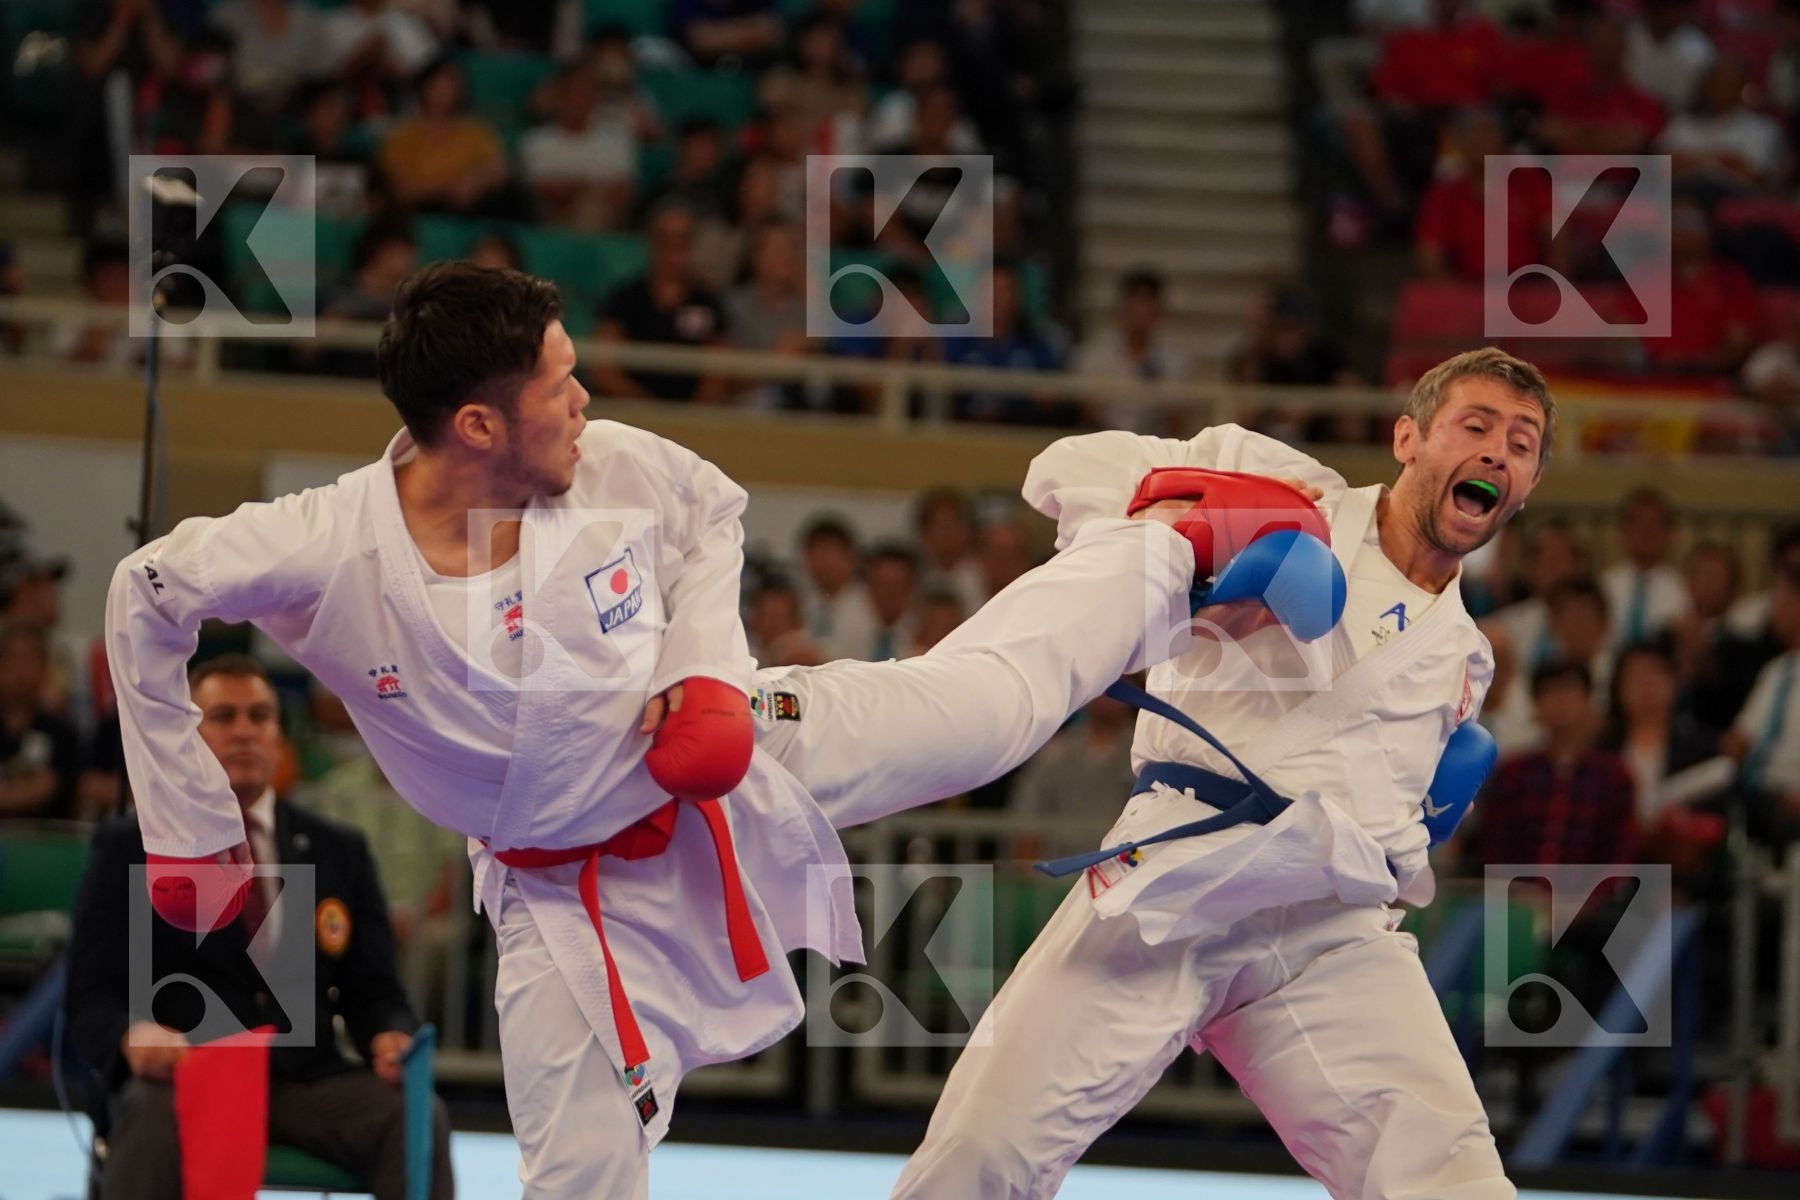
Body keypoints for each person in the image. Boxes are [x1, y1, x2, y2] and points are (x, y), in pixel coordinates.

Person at [103, 261, 1235, 1197]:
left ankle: (1161, 538)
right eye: (560, 382)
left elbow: (715, 510)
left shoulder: (613, 464)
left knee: (988, 716)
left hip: (722, 753)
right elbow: (144, 590)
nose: (586, 397)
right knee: (581, 1177)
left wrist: (703, 671)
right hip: (559, 891)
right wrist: (191, 826)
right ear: (479, 421)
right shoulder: (322, 547)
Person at [890, 346, 1554, 1199]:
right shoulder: (1288, 492)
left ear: (1530, 485)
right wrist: (1188, 557)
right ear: (1408, 439)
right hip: (1174, 875)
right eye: (1477, 425)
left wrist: (1413, 835)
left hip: (1328, 923)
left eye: (1523, 443)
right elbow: (1067, 470)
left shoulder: (1468, 658)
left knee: (1451, 1174)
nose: (1499, 451)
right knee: (988, 1147)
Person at [64, 655, 453, 1199]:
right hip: (187, 1074)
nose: (245, 730)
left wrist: (389, 1033)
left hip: (306, 1081)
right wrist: (132, 1037)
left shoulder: (336, 849)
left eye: (261, 716)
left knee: (413, 1114)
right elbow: (91, 993)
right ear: (186, 735)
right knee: (148, 1108)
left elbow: (374, 990)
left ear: (278, 736)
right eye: (223, 716)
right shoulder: (134, 846)